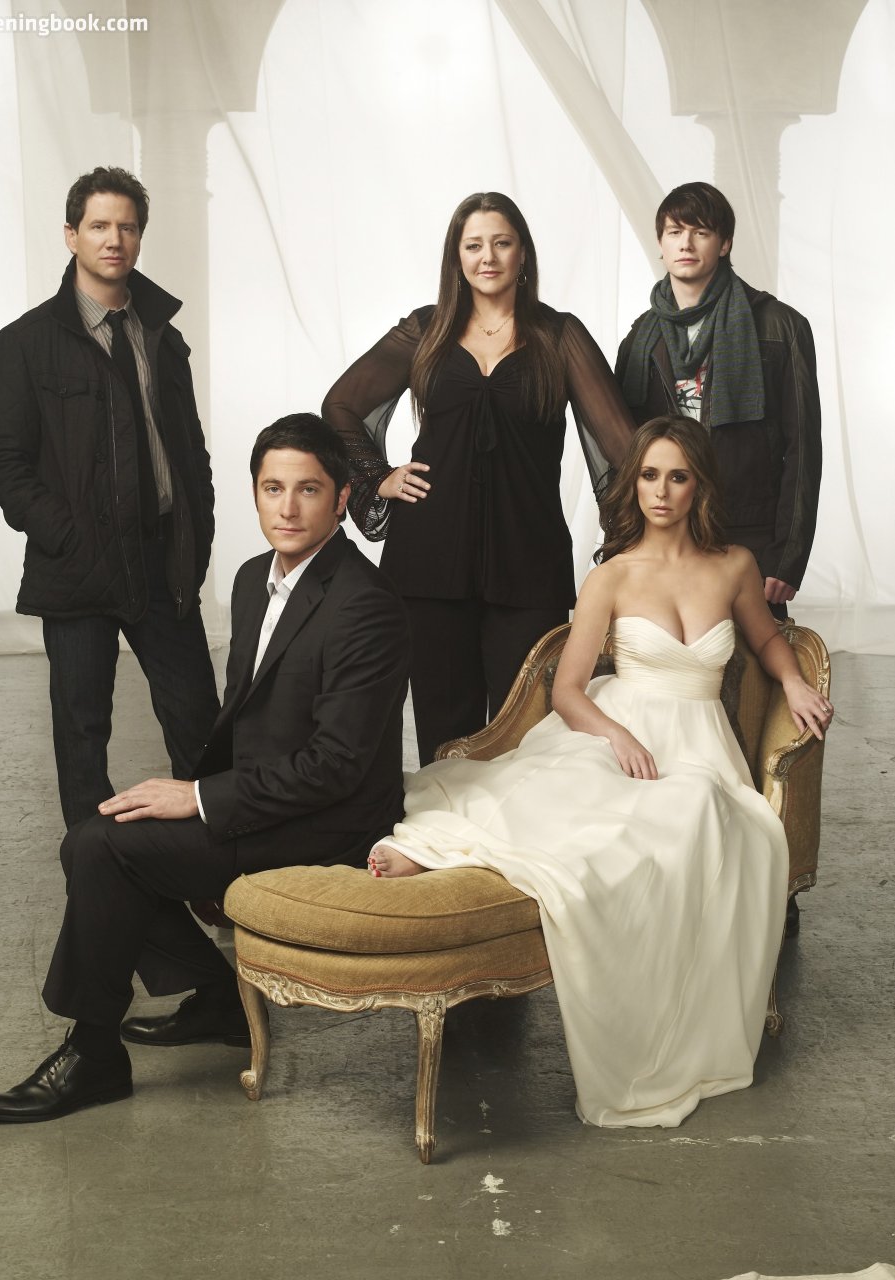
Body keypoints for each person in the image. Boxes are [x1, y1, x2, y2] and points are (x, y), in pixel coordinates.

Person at [367, 416, 833, 1129]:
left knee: (697, 811)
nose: (661, 491)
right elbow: (567, 689)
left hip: (698, 743)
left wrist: (793, 681)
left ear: (699, 486)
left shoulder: (733, 565)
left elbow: (767, 637)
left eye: (677, 476)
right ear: (633, 483)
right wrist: (615, 735)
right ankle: (439, 853)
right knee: (575, 816)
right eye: (648, 475)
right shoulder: (611, 576)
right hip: (616, 727)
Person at [0, 414, 410, 1123]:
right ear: (255, 494)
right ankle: (217, 999)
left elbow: (336, 767)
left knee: (100, 848)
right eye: (272, 488)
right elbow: (245, 719)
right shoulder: (251, 580)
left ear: (341, 500)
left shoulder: (365, 604)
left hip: (331, 822)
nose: (288, 507)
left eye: (308, 489)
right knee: (97, 837)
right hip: (270, 801)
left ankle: (95, 1054)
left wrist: (201, 800)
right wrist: (197, 797)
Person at [322, 191, 636, 766]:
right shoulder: (426, 330)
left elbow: (626, 448)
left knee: (528, 738)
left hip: (528, 561)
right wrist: (378, 476)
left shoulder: (560, 336)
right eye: (473, 245)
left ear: (523, 253)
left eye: (501, 242)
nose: (487, 257)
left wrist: (653, 533)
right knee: (443, 732)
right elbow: (340, 405)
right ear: (457, 257)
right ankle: (443, 826)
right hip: (428, 557)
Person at [0, 166, 219, 829]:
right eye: (100, 226)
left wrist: (197, 534)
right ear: (71, 235)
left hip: (161, 558)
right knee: (82, 732)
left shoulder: (162, 337)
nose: (115, 240)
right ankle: (95, 867)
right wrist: (67, 532)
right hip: (77, 564)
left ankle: (210, 863)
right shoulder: (24, 344)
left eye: (127, 227)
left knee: (199, 720)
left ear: (139, 236)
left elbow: (190, 452)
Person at [615, 181, 821, 622]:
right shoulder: (640, 337)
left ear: (724, 244)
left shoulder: (781, 327)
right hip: (663, 538)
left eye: (701, 232)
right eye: (674, 232)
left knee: (753, 662)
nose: (686, 243)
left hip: (746, 533)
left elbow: (803, 449)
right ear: (660, 244)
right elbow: (625, 447)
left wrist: (787, 556)